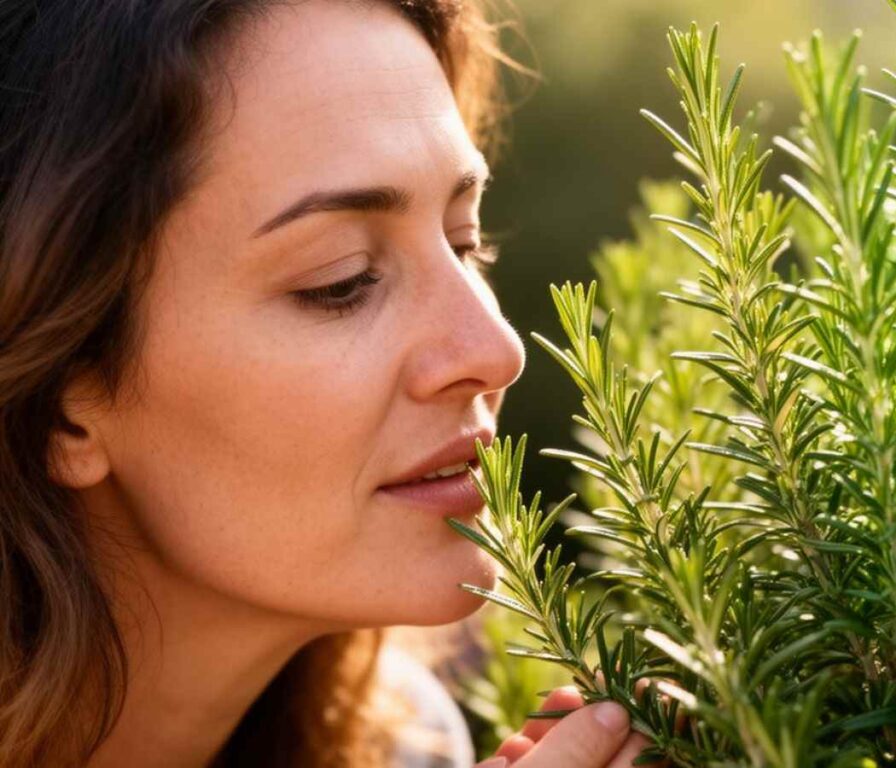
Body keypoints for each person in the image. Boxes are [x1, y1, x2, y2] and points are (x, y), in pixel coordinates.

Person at [0, 1, 653, 766]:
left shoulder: (404, 743)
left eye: (464, 241)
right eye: (341, 281)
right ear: (62, 407)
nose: (497, 350)